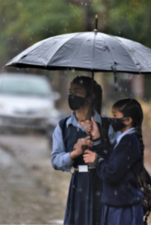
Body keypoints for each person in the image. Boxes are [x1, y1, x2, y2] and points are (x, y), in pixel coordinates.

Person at [51, 76, 105, 225]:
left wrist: (98, 147)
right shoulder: (63, 126)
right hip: (78, 184)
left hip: (102, 185)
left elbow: (115, 159)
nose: (72, 96)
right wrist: (74, 153)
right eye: (70, 91)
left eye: (77, 91)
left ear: (90, 96)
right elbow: (55, 160)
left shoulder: (106, 126)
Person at [83, 99, 146, 225]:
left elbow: (112, 173)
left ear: (128, 121)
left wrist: (96, 161)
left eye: (115, 115)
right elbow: (109, 159)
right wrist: (96, 138)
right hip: (115, 204)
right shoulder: (122, 140)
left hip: (123, 210)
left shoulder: (129, 143)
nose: (111, 118)